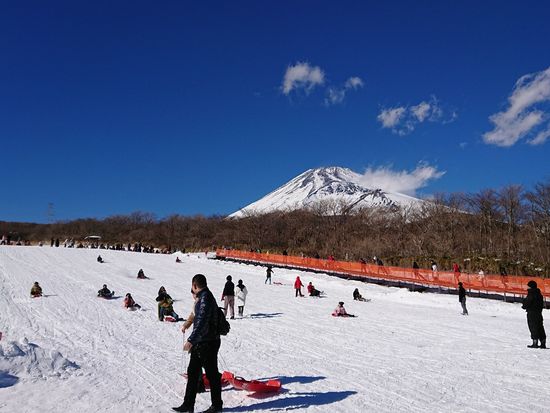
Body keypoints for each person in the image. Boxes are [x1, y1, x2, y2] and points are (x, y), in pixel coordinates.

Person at [173, 274, 223, 413]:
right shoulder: (204, 297)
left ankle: (216, 405)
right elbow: (196, 317)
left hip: (207, 342)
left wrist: (191, 340)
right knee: (194, 372)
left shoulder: (205, 298)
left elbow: (201, 321)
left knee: (210, 374)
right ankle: (188, 404)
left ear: (194, 285)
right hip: (205, 341)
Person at [522, 280, 546, 349]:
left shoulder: (531, 293)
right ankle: (543, 342)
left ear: (530, 286)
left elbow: (527, 302)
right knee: (540, 327)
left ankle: (535, 342)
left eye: (528, 286)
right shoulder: (539, 294)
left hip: (532, 313)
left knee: (533, 327)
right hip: (539, 313)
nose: (527, 287)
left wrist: (524, 304)